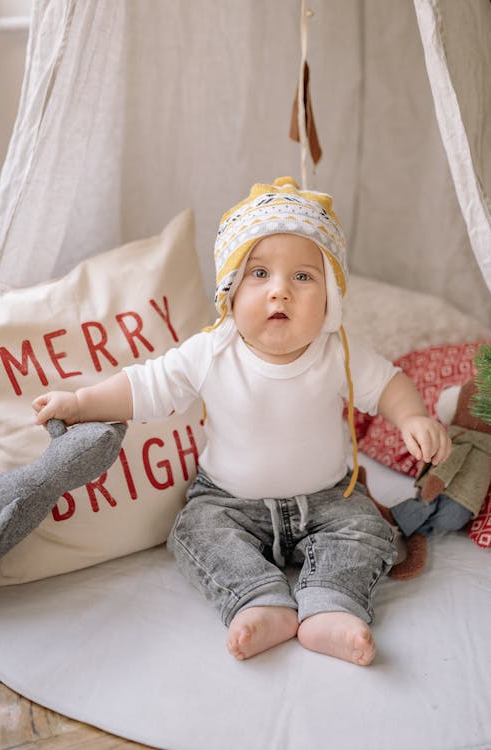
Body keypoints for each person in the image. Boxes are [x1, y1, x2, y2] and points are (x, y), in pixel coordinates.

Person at [33, 177, 451, 666]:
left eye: (303, 277)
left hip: (330, 499)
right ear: (229, 290)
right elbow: (145, 386)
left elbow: (390, 384)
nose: (281, 292)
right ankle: (257, 598)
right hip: (229, 500)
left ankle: (331, 605)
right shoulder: (211, 351)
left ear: (331, 299)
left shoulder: (336, 352)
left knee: (366, 531)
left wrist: (413, 416)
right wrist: (82, 403)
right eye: (259, 274)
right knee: (195, 531)